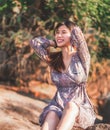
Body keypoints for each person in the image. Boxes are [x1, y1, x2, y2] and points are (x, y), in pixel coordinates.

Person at [30, 20, 96, 130]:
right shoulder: (53, 59)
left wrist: (69, 37)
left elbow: (78, 34)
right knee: (50, 116)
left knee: (70, 106)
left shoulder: (82, 58)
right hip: (58, 105)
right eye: (57, 32)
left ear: (72, 35)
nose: (59, 35)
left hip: (79, 107)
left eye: (63, 32)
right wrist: (56, 42)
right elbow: (35, 42)